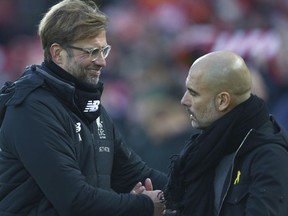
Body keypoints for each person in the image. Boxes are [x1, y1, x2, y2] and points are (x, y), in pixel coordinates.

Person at [0, 0, 167, 215]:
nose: (101, 62)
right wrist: (144, 205)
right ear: (57, 53)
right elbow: (75, 201)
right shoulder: (31, 110)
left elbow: (136, 173)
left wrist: (191, 193)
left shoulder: (91, 108)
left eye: (103, 50)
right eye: (90, 52)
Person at [164, 50, 288, 216]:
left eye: (193, 93)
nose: (184, 100)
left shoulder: (269, 156)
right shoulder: (211, 143)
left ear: (222, 101)